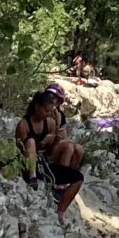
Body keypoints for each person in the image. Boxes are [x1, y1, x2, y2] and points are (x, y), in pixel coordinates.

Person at [13, 85, 87, 217]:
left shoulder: (50, 123)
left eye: (50, 111)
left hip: (46, 163)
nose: (48, 114)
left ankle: (60, 211)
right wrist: (39, 143)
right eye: (46, 111)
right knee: (30, 141)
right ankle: (32, 177)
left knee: (78, 178)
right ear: (37, 107)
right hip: (29, 164)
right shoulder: (23, 125)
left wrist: (52, 136)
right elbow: (20, 148)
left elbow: (57, 143)